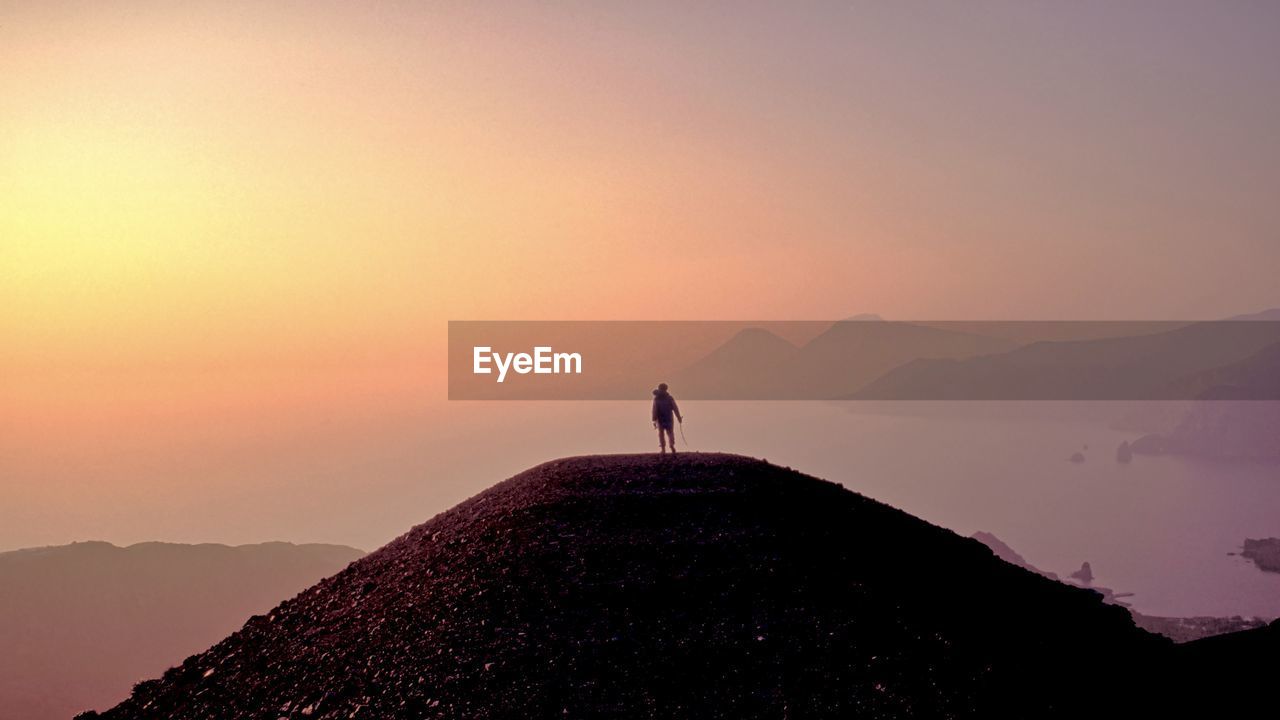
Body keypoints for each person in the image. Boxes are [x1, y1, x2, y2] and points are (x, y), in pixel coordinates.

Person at [651, 383, 683, 454]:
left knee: (661, 434)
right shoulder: (669, 398)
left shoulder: (656, 398)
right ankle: (671, 445)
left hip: (660, 418)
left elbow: (654, 409)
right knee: (670, 433)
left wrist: (654, 419)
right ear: (666, 389)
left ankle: (663, 449)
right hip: (669, 418)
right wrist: (678, 417)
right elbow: (675, 408)